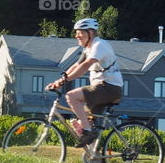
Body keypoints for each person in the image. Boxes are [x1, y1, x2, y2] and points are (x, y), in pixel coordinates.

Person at [46, 18, 123, 148]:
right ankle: (96, 159)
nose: (76, 36)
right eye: (76, 32)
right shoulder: (88, 49)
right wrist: (59, 81)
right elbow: (76, 65)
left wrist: (65, 81)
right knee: (83, 125)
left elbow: (85, 66)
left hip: (109, 88)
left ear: (91, 33)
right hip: (100, 90)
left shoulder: (99, 45)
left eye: (80, 32)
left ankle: (88, 131)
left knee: (71, 96)